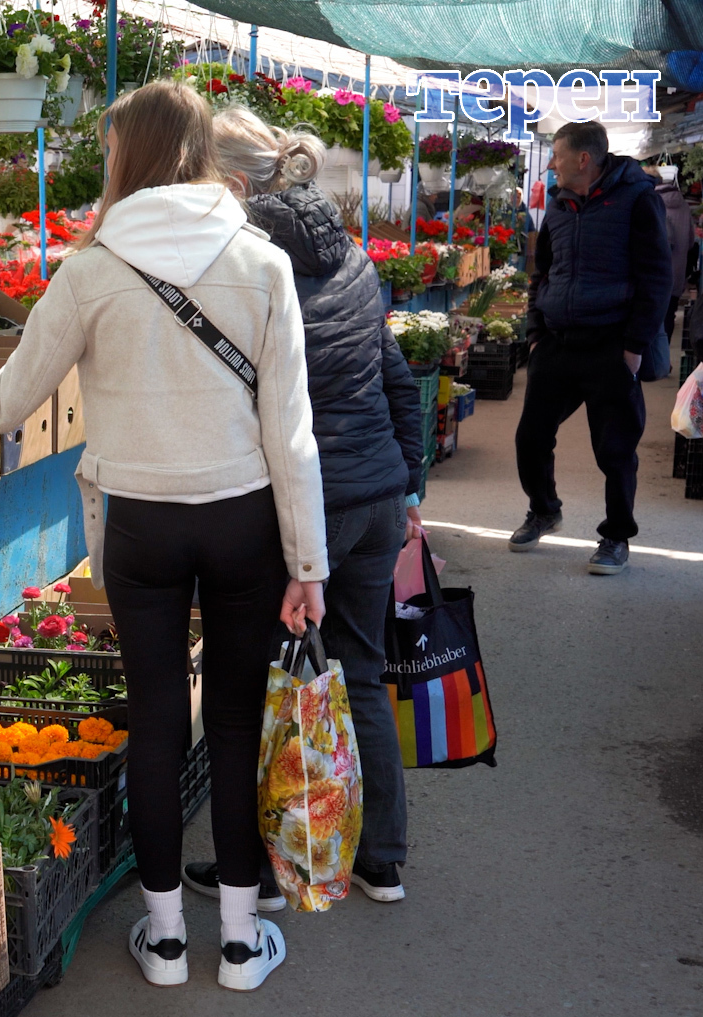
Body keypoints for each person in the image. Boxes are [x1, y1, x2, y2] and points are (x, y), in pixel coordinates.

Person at [0, 79, 327, 992]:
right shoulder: (262, 263)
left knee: (153, 722)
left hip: (141, 527)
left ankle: (162, 938)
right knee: (232, 723)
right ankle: (237, 941)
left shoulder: (92, 269)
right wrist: (307, 561)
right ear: (202, 155)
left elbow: (0, 406)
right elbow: (292, 431)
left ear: (130, 157)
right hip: (243, 522)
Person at [178, 106, 425, 906]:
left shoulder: (247, 266)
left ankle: (269, 873)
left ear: (236, 183)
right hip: (378, 495)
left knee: (256, 682)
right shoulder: (350, 253)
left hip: (307, 501)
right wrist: (408, 480)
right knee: (356, 670)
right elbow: (392, 372)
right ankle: (381, 857)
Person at [510, 121, 671, 575]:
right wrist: (535, 330)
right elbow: (541, 271)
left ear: (584, 159)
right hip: (557, 342)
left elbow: (656, 278)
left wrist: (634, 347)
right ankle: (544, 509)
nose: (551, 164)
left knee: (615, 450)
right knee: (531, 437)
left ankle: (616, 536)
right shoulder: (558, 205)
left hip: (611, 344)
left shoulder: (638, 200)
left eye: (557, 155)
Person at [653, 166, 692, 343]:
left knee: (652, 319)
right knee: (668, 317)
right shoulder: (684, 206)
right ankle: (663, 360)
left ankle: (655, 363)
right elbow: (691, 241)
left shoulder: (653, 203)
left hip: (657, 273)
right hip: (676, 273)